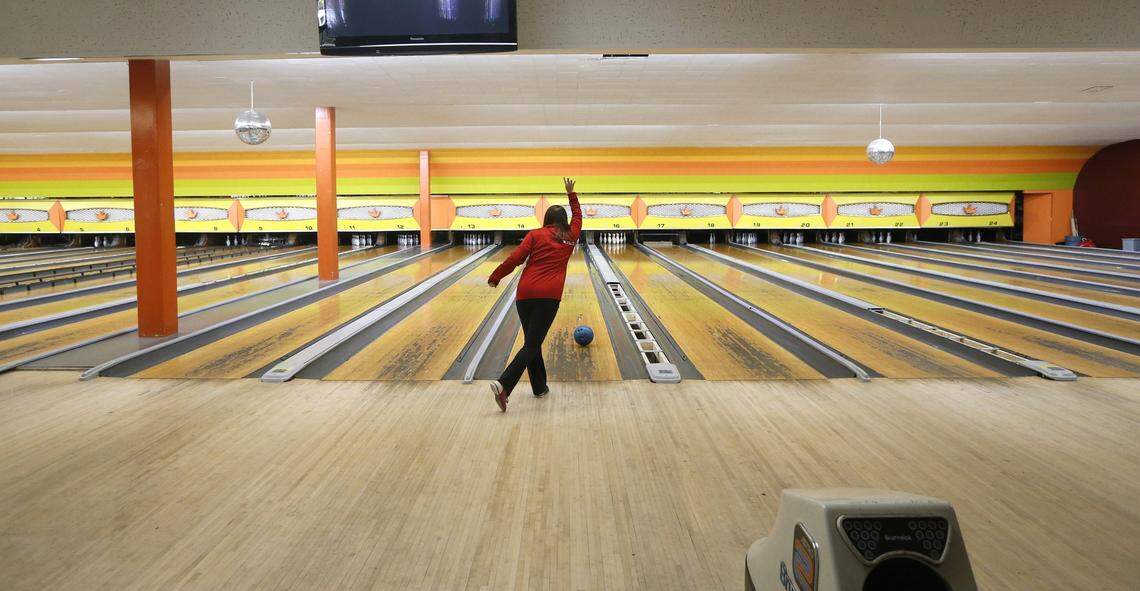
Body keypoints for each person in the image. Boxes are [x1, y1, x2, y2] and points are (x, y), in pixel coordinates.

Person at [487, 177, 583, 412]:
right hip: (549, 297)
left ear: (546, 219)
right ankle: (504, 384)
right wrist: (571, 194)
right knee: (532, 344)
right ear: (564, 221)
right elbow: (579, 216)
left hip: (525, 295)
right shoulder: (571, 236)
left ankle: (539, 388)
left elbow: (515, 258)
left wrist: (496, 276)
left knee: (532, 342)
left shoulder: (535, 234)